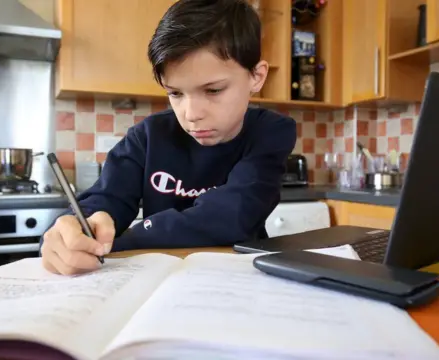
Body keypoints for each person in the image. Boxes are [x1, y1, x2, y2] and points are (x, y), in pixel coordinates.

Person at [40, 0, 297, 275]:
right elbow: (105, 198)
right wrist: (74, 230)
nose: (191, 114)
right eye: (175, 93)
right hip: (162, 278)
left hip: (242, 277)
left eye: (213, 91)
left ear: (256, 77)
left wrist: (124, 241)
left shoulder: (272, 131)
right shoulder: (148, 136)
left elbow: (231, 216)